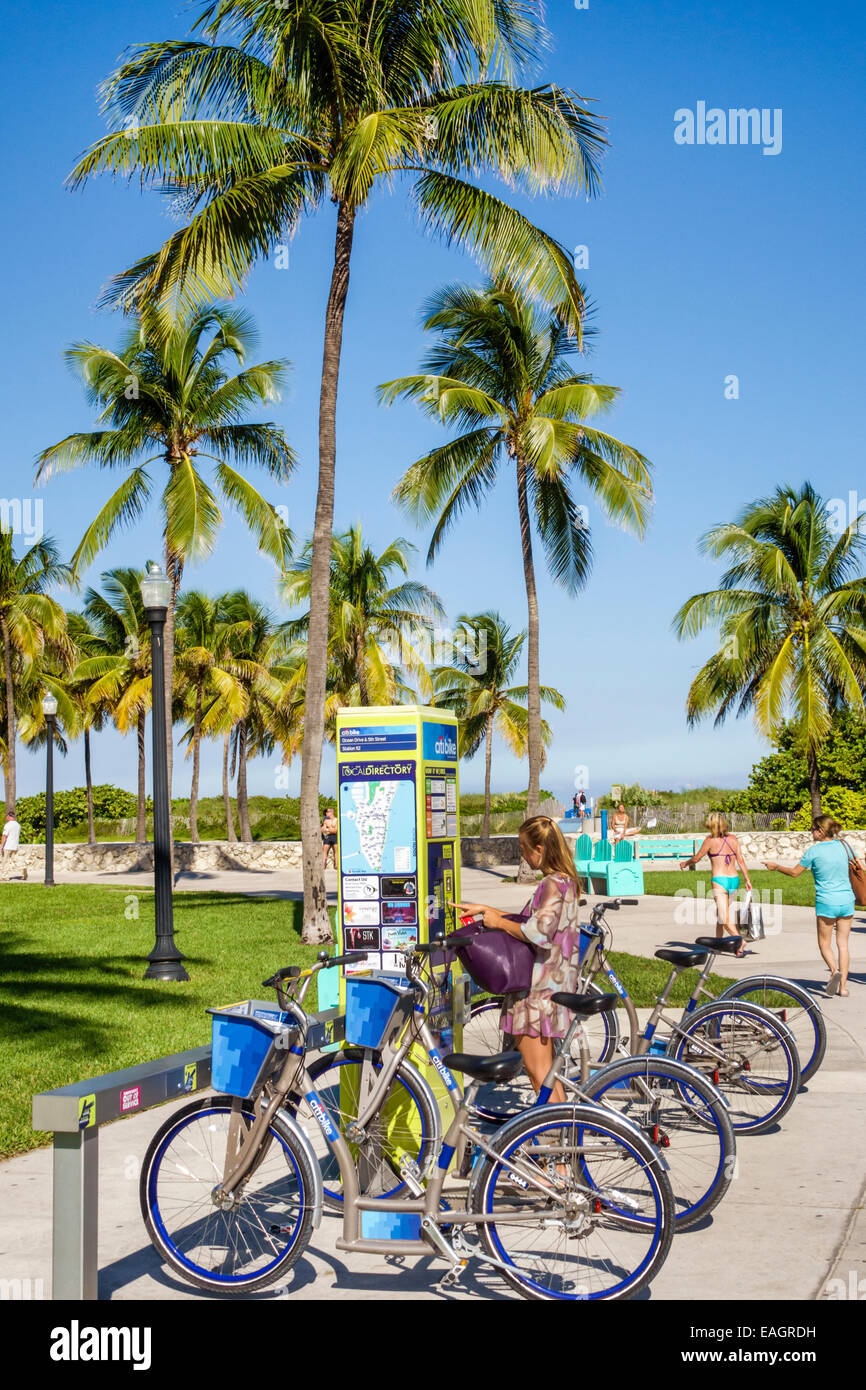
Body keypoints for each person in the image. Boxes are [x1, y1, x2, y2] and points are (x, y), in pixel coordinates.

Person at [454, 815, 583, 1106]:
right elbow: (532, 921)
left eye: (524, 848)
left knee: (539, 1076)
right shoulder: (566, 882)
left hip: (536, 992)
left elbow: (538, 933)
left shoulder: (551, 884)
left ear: (540, 849)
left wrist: (497, 922)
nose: (522, 855)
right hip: (553, 985)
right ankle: (564, 1140)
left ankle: (554, 1141)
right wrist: (487, 910)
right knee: (546, 1075)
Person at [764, 815, 862, 997]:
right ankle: (844, 988)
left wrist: (776, 866)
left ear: (820, 831)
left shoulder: (814, 852)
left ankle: (834, 971)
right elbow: (858, 866)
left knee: (824, 943)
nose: (811, 833)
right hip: (847, 900)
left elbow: (794, 873)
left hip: (826, 902)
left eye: (812, 829)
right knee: (843, 944)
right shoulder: (844, 846)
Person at [681, 812, 751, 955]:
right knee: (721, 914)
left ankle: (739, 941)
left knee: (724, 917)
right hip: (734, 880)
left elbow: (697, 858)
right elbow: (741, 861)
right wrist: (747, 879)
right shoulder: (733, 839)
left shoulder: (709, 840)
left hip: (719, 881)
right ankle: (717, 946)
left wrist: (685, 863)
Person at [1, 811, 27, 881]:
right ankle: (23, 868)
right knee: (15, 860)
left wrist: (1, 846)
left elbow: (4, 836)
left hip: (8, 846)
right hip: (15, 846)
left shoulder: (8, 825)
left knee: (5, 861)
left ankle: (4, 876)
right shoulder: (18, 825)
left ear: (9, 817)